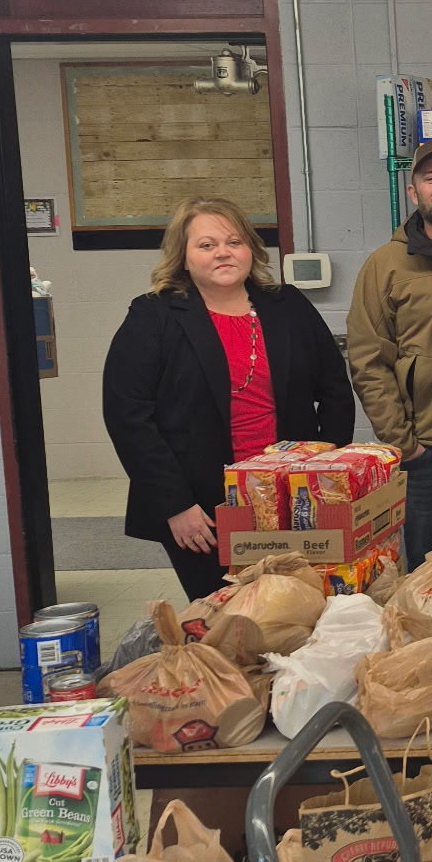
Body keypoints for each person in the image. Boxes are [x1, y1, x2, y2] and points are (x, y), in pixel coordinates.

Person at [102, 196, 353, 600]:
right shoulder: (154, 317)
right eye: (206, 245)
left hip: (290, 496)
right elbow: (128, 416)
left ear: (251, 250)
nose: (222, 252)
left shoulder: (288, 306)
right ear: (182, 258)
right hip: (202, 508)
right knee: (225, 622)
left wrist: (326, 475)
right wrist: (175, 506)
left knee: (297, 612)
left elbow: (335, 390)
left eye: (234, 242)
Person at [347, 139, 432, 567]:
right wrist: (403, 445)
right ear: (413, 191)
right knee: (429, 581)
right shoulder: (386, 265)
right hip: (430, 458)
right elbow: (368, 361)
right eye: (431, 178)